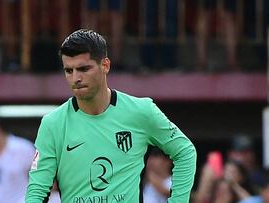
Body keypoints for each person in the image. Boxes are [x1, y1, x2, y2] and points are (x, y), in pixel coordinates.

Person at [25, 29, 197, 202]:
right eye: (69, 71)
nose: (75, 78)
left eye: (84, 69)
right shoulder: (52, 124)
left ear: (105, 65)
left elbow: (185, 151)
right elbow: (37, 190)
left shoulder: (142, 111)